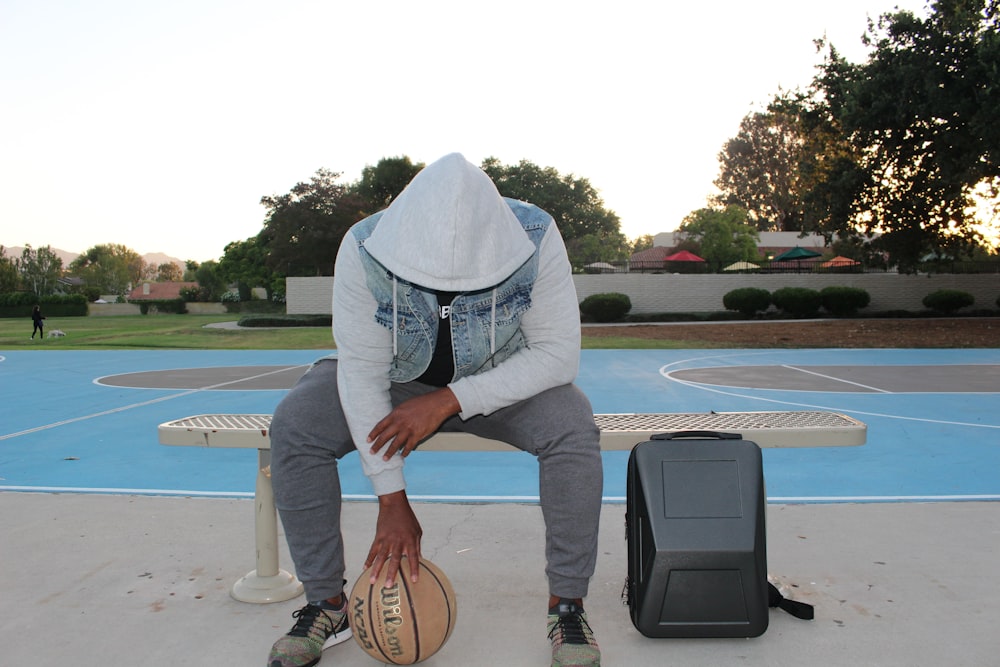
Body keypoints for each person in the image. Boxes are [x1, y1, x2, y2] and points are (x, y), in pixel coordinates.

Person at [267, 153, 603, 667]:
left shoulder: (535, 234)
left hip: (500, 380)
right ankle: (326, 603)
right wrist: (391, 499)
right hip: (396, 380)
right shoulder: (363, 245)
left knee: (572, 425)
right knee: (297, 423)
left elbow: (558, 355)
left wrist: (448, 400)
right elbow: (359, 372)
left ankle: (568, 605)